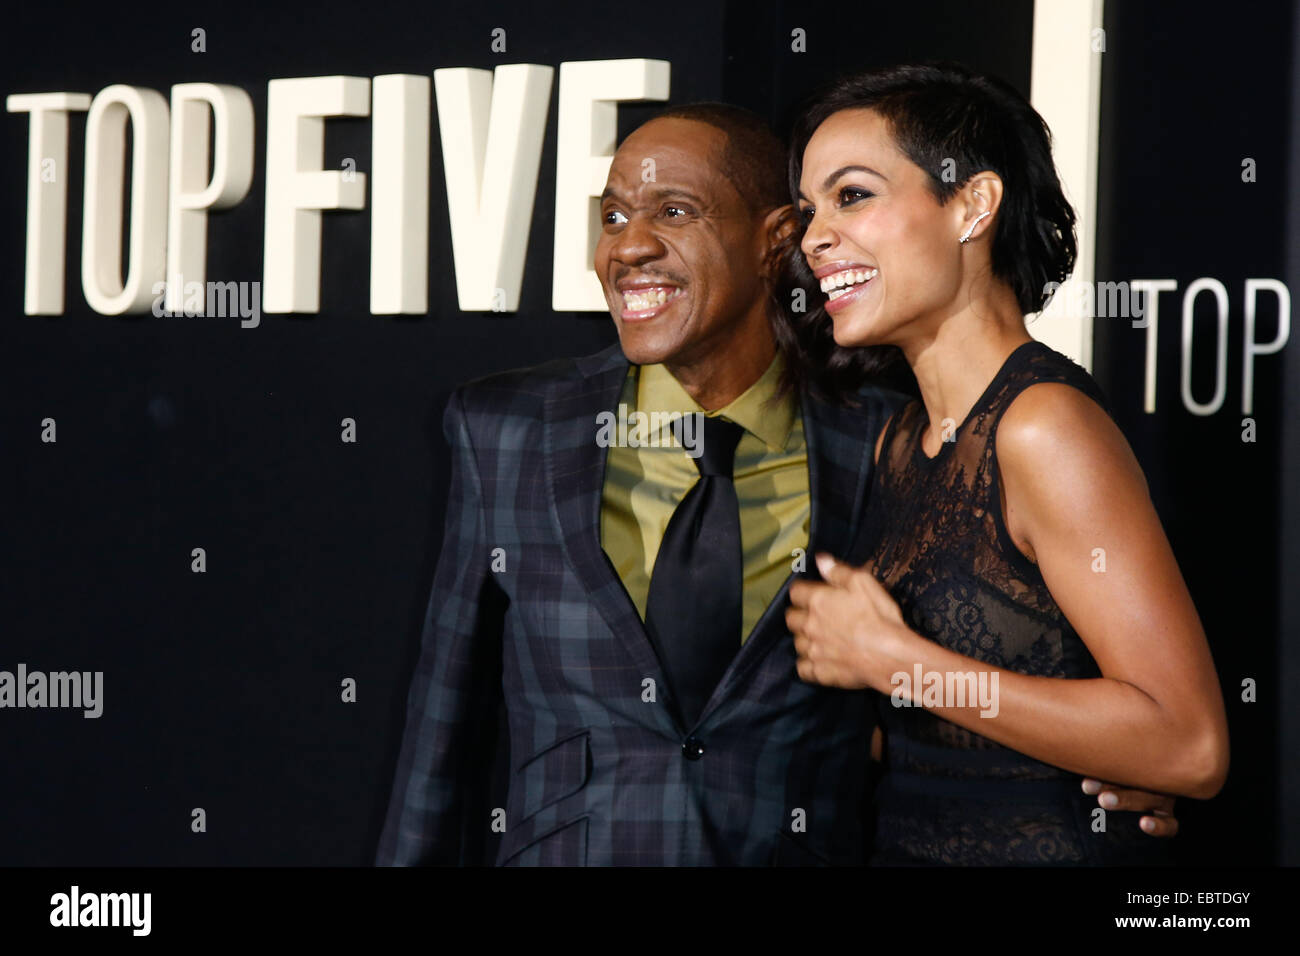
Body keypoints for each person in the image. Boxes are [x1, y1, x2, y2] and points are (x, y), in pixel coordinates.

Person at [375, 101, 1178, 866]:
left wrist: (1101, 770)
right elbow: (440, 731)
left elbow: (915, 687)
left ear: (772, 243)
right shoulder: (509, 429)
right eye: (614, 217)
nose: (629, 247)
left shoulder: (883, 442)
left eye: (675, 212)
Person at [783, 63, 1228, 864]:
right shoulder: (902, 438)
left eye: (852, 196)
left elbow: (1189, 745)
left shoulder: (1042, 426)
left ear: (971, 206)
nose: (815, 236)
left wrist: (899, 663)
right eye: (810, 208)